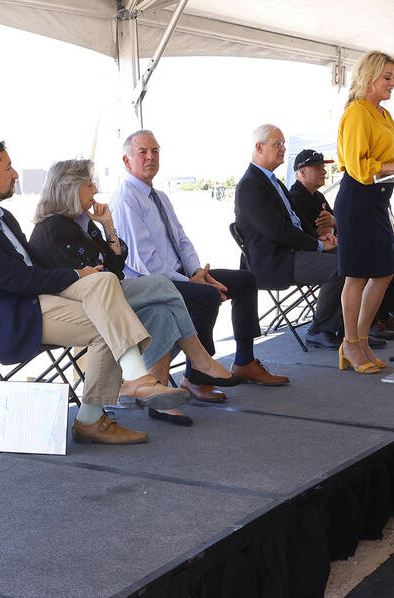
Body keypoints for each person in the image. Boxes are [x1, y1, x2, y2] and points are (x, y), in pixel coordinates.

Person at [0, 138, 189, 445]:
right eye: (8, 167)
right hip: (13, 315)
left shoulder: (2, 217)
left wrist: (82, 271)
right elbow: (14, 280)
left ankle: (132, 382)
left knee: (104, 284)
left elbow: (33, 267)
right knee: (107, 324)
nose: (16, 174)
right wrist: (75, 273)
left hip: (36, 299)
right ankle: (96, 414)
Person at [28, 158, 244, 427]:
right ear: (70, 188)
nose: (95, 190)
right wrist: (102, 267)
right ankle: (199, 359)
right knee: (162, 285)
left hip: (106, 295)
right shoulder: (52, 228)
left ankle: (159, 396)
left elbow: (114, 269)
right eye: (89, 184)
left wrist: (108, 227)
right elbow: (88, 279)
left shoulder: (81, 223)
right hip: (84, 307)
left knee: (161, 311)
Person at [111, 130, 288, 401]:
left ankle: (244, 360)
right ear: (127, 160)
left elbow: (182, 240)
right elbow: (144, 262)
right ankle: (196, 376)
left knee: (244, 281)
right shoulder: (126, 199)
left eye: (155, 151)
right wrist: (190, 282)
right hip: (150, 284)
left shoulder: (159, 196)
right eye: (143, 152)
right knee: (204, 296)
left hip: (180, 276)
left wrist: (196, 273)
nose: (151, 157)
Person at [334, 51, 394, 373]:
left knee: (383, 272)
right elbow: (359, 167)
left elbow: (386, 160)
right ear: (369, 77)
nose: (393, 83)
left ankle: (359, 340)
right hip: (358, 200)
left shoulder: (383, 114)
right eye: (387, 77)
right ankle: (351, 342)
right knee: (358, 274)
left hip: (377, 200)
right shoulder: (357, 113)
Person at [234, 130, 344, 349]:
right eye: (278, 144)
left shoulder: (271, 181)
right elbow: (277, 231)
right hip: (275, 260)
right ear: (259, 147)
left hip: (291, 252)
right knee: (341, 267)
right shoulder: (250, 185)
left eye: (283, 143)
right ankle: (320, 329)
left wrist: (319, 237)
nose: (283, 148)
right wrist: (318, 245)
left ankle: (355, 327)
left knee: (355, 259)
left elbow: (296, 222)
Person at [289, 147, 394, 340]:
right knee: (357, 264)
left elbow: (334, 222)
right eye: (318, 168)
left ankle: (378, 317)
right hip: (311, 251)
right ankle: (336, 328)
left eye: (323, 167)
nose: (323, 171)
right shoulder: (296, 196)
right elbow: (305, 231)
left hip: (330, 244)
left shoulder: (318, 196)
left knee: (385, 255)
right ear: (302, 172)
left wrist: (331, 226)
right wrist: (324, 236)